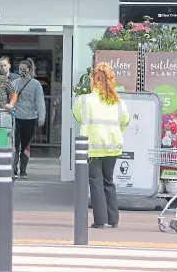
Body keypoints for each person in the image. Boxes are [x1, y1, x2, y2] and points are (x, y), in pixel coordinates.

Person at [72, 63, 130, 229]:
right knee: (108, 181)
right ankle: (113, 219)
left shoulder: (85, 100)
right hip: (113, 146)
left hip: (93, 146)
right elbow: (125, 122)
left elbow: (76, 115)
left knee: (95, 182)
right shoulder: (118, 101)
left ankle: (99, 220)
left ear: (93, 79)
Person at [12, 58, 46, 179]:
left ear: (29, 70)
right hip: (16, 118)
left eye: (24, 70)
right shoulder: (14, 83)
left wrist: (42, 116)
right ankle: (14, 168)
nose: (22, 72)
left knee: (26, 144)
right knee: (15, 144)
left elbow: (40, 101)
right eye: (20, 69)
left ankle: (23, 169)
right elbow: (10, 99)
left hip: (30, 118)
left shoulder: (35, 84)